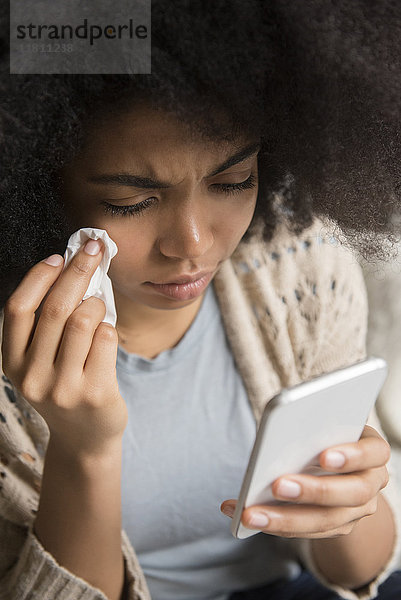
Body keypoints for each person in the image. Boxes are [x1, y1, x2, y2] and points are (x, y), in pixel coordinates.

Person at [1, 2, 401, 599]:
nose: (192, 244)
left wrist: (349, 501)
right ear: (37, 190)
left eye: (232, 181)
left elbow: (359, 573)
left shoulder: (300, 265)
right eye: (128, 202)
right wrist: (82, 450)